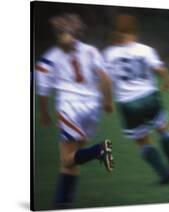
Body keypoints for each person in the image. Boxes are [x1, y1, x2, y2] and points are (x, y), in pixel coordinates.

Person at [35, 13, 114, 208]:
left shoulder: (49, 58)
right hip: (92, 107)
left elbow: (43, 91)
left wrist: (43, 113)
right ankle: (63, 202)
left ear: (57, 33)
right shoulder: (92, 51)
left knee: (66, 158)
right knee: (71, 159)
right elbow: (105, 78)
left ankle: (99, 150)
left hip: (70, 108)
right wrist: (107, 101)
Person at [103, 15, 169, 184]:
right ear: (135, 32)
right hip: (149, 97)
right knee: (164, 129)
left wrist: (108, 101)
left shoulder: (110, 53)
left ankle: (164, 174)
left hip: (128, 103)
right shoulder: (145, 49)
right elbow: (159, 68)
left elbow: (107, 81)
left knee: (142, 140)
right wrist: (168, 80)